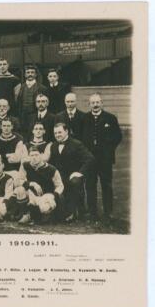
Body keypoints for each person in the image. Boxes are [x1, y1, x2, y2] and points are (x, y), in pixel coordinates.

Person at [82, 93, 122, 223]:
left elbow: (118, 137)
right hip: (90, 159)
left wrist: (108, 150)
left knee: (106, 185)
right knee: (90, 185)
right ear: (89, 104)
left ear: (102, 103)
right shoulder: (85, 118)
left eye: (97, 102)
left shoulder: (110, 118)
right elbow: (81, 137)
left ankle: (107, 213)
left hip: (105, 159)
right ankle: (92, 213)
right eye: (93, 102)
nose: (95, 104)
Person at [49, 123, 94, 222]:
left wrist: (80, 173)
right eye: (55, 133)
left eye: (60, 132)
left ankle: (77, 211)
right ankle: (57, 210)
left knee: (75, 182)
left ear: (66, 131)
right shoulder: (53, 145)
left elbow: (89, 158)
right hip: (60, 176)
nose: (57, 135)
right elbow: (52, 164)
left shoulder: (76, 144)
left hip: (73, 176)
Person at [16, 146, 64, 225]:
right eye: (31, 155)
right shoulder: (25, 165)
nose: (34, 158)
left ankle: (40, 215)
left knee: (44, 209)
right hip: (32, 194)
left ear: (41, 155)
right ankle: (26, 214)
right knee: (20, 190)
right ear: (29, 156)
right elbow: (18, 181)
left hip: (46, 195)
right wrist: (33, 184)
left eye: (36, 155)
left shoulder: (51, 169)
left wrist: (54, 195)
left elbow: (60, 186)